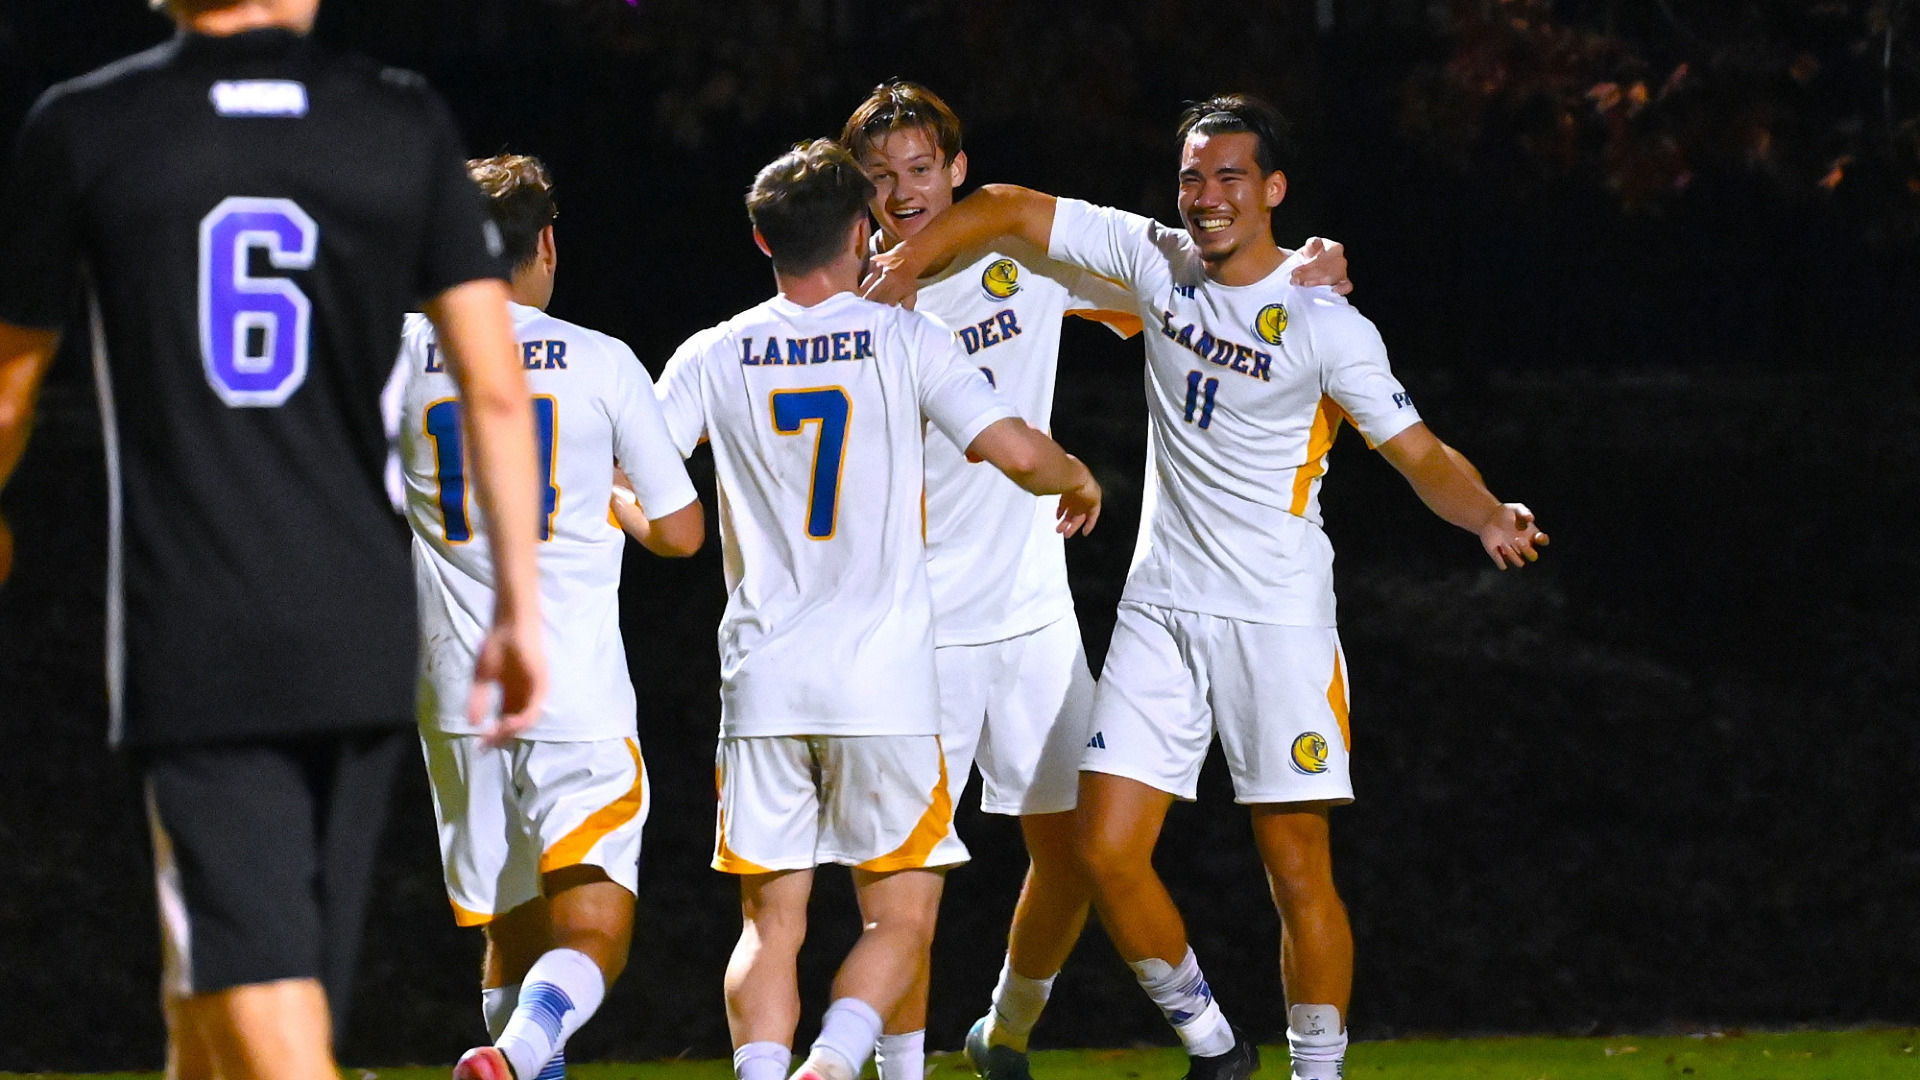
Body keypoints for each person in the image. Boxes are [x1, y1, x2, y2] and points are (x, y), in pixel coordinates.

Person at [865, 93, 1548, 1080]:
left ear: (1273, 189)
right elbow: (1014, 206)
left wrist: (1487, 513)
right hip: (1158, 611)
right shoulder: (1156, 263)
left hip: (1277, 621)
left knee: (1296, 869)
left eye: (1229, 176)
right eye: (1191, 176)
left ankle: (1317, 1073)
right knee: (1101, 849)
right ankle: (1216, 1045)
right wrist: (905, 268)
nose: (1206, 194)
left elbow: (1417, 449)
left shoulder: (1326, 325)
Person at [0, 2, 548, 1078]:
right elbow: (494, 388)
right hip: (358, 627)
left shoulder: (90, 123)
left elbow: (11, 382)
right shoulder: (400, 121)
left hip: (195, 623)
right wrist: (519, 604)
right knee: (232, 978)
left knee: (260, 991)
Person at [837, 80, 1352, 1080]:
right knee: (906, 889)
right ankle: (911, 1066)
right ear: (857, 193)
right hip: (910, 626)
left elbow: (1192, 294)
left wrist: (1305, 267)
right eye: (879, 178)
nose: (902, 192)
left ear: (955, 172)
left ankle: (1006, 1035)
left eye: (918, 169)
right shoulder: (841, 297)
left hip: (1032, 620)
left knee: (1078, 855)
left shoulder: (1022, 267)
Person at [652, 139, 1101, 1080]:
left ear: (760, 238)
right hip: (884, 682)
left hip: (764, 681)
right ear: (861, 230)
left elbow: (651, 499)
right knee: (899, 915)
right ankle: (837, 1058)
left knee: (770, 925)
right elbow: (1016, 454)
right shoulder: (905, 337)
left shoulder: (713, 351)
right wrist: (1077, 473)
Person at [394, 154, 704, 1080]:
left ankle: (517, 1057)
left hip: (455, 694)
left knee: (509, 924)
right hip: (571, 685)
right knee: (594, 922)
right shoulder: (602, 359)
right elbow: (684, 533)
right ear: (547, 245)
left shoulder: (398, 351)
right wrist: (614, 504)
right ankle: (518, 1054)